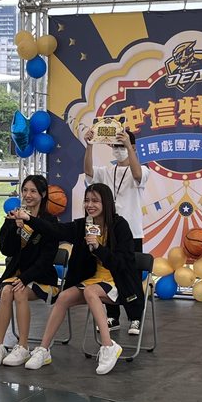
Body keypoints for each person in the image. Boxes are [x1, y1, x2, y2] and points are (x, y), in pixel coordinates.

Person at [16, 183, 143, 375]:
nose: (90, 205)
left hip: (119, 282)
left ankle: (108, 346)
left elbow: (122, 263)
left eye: (95, 201)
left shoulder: (120, 226)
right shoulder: (83, 225)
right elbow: (55, 230)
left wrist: (99, 248)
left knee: (91, 291)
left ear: (106, 203)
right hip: (93, 281)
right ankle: (44, 349)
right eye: (87, 200)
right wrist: (29, 219)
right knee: (63, 297)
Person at [0, 175, 59, 367]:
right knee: (6, 291)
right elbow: (6, 250)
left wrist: (25, 278)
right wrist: (14, 227)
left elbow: (47, 258)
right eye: (25, 190)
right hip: (16, 274)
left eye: (33, 191)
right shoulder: (14, 215)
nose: (28, 195)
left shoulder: (49, 221)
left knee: (19, 291)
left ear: (43, 194)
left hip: (41, 277)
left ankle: (23, 346)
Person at [84, 127, 149, 335]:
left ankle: (135, 318)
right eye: (115, 146)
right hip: (109, 232)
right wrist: (89, 146)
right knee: (108, 272)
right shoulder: (106, 171)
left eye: (122, 146)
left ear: (133, 147)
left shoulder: (141, 169)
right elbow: (89, 173)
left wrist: (128, 146)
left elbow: (137, 175)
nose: (118, 149)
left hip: (132, 233)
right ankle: (112, 316)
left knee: (131, 277)